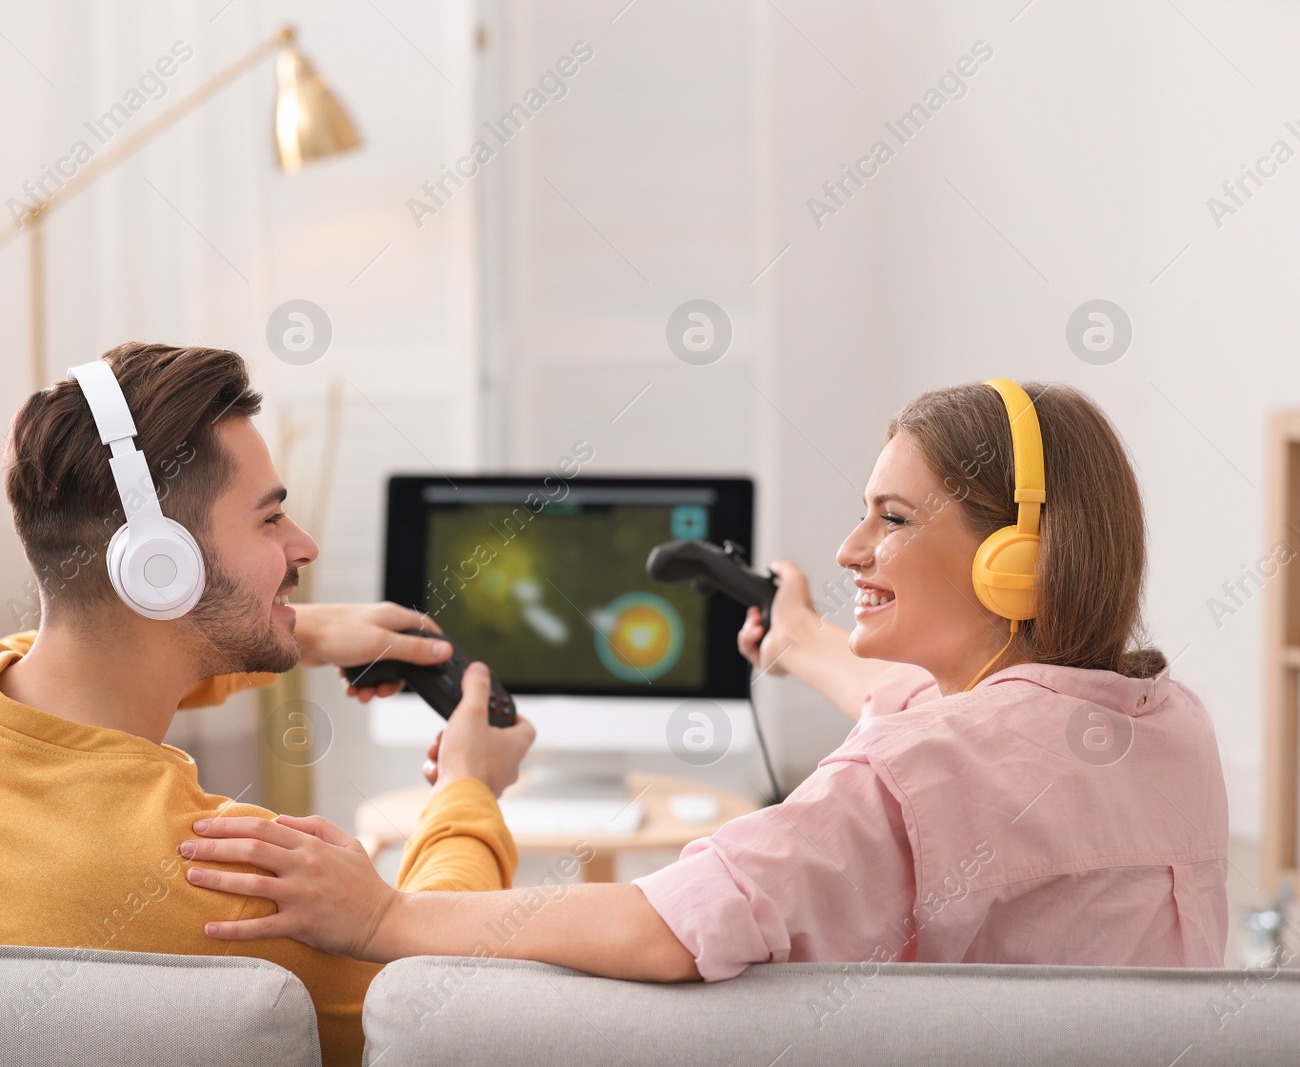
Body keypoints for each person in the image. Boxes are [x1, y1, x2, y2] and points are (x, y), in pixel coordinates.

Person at [178, 378, 1230, 980]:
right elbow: (972, 743)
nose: (852, 545)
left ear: (1019, 558)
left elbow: (665, 923)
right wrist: (804, 638)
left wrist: (381, 918)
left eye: (894, 518)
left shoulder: (915, 768)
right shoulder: (1163, 721)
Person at [0, 342, 535, 1067]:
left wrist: (306, 630)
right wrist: (468, 790)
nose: (305, 544)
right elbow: (435, 1001)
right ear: (160, 568)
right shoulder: (226, 871)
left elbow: (87, 653)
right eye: (270, 520)